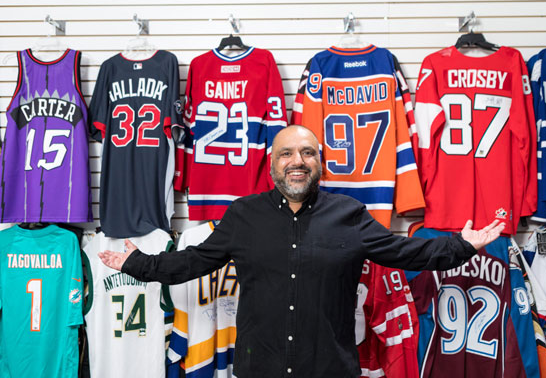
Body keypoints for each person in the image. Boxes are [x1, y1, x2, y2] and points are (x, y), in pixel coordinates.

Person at [99, 125, 505, 378]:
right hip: (260, 370)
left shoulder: (350, 214)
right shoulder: (243, 215)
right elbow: (193, 261)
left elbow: (405, 252)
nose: (298, 161)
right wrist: (137, 263)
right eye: (287, 154)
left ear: (320, 162)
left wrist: (461, 245)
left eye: (307, 153)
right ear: (272, 164)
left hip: (329, 369)